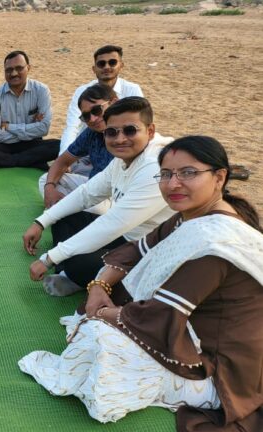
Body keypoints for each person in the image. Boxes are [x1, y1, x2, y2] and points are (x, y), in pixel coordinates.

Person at [19, 136, 263, 432]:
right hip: (191, 327)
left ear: (219, 177)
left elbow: (161, 316)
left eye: (188, 173)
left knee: (100, 343)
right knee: (98, 310)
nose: (173, 184)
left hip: (221, 368)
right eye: (166, 174)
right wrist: (99, 285)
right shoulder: (189, 216)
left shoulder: (214, 243)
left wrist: (104, 313)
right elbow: (137, 249)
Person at [22, 97, 174, 296]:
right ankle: (73, 274)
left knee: (77, 261)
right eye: (112, 132)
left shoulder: (155, 167)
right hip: (125, 235)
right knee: (63, 218)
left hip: (147, 248)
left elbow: (113, 224)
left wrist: (49, 258)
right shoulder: (123, 158)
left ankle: (74, 274)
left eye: (130, 130)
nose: (120, 139)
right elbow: (87, 193)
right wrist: (41, 222)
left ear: (150, 131)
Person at [0, 51, 60, 170]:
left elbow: (44, 128)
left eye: (19, 68)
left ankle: (10, 161)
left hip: (32, 144)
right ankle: (28, 161)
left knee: (59, 145)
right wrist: (31, 129)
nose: (14, 73)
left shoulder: (41, 90)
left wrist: (9, 127)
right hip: (5, 145)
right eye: (9, 70)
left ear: (28, 68)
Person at [39, 84, 118, 212]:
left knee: (96, 208)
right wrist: (49, 187)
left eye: (97, 110)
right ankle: (65, 211)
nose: (92, 119)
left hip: (116, 195)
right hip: (93, 187)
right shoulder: (92, 132)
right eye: (86, 116)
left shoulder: (127, 133)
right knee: (46, 181)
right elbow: (62, 161)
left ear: (114, 103)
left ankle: (60, 211)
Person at [60, 45, 144, 157]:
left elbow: (139, 125)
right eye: (101, 63)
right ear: (94, 69)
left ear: (121, 65)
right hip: (89, 149)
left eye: (112, 62)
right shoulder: (82, 91)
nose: (106, 67)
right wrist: (63, 155)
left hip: (121, 148)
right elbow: (72, 126)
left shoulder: (132, 90)